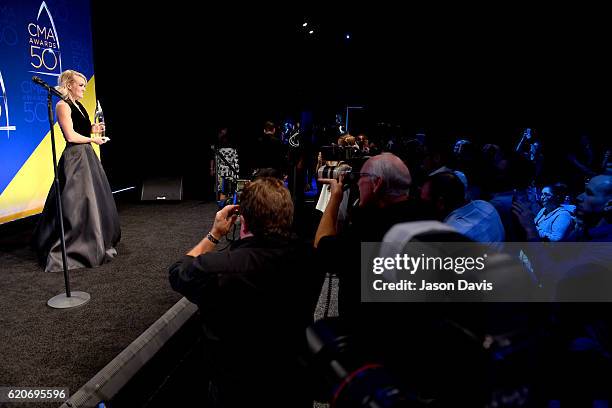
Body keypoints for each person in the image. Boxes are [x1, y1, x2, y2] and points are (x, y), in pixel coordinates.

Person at [169, 177, 324, 408]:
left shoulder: (216, 268)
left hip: (234, 390)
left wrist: (214, 234)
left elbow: (178, 273)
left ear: (243, 219)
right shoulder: (311, 260)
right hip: (292, 385)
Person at [32, 70, 120, 272]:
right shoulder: (62, 105)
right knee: (77, 203)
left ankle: (95, 238)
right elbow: (70, 136)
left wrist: (93, 129)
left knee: (92, 201)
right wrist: (93, 139)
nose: (83, 89)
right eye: (80, 85)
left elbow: (80, 129)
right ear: (69, 85)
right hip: (75, 159)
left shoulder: (78, 106)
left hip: (86, 156)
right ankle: (78, 246)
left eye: (84, 85)